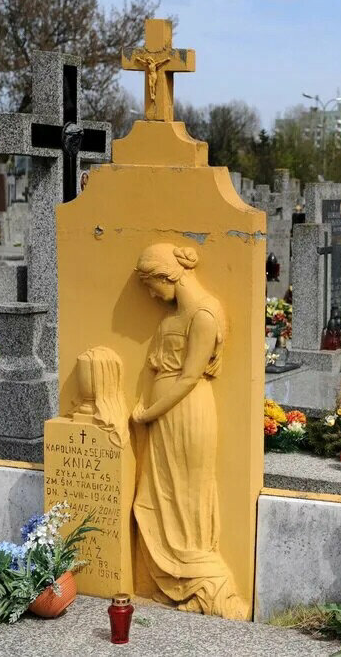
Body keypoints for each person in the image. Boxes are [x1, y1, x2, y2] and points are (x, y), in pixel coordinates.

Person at [131, 243, 248, 619]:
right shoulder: (172, 318)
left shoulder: (204, 314)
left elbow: (188, 378)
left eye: (151, 285)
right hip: (164, 419)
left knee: (188, 498)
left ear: (168, 275)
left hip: (188, 415)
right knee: (160, 495)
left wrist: (147, 413)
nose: (151, 295)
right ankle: (173, 583)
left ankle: (205, 586)